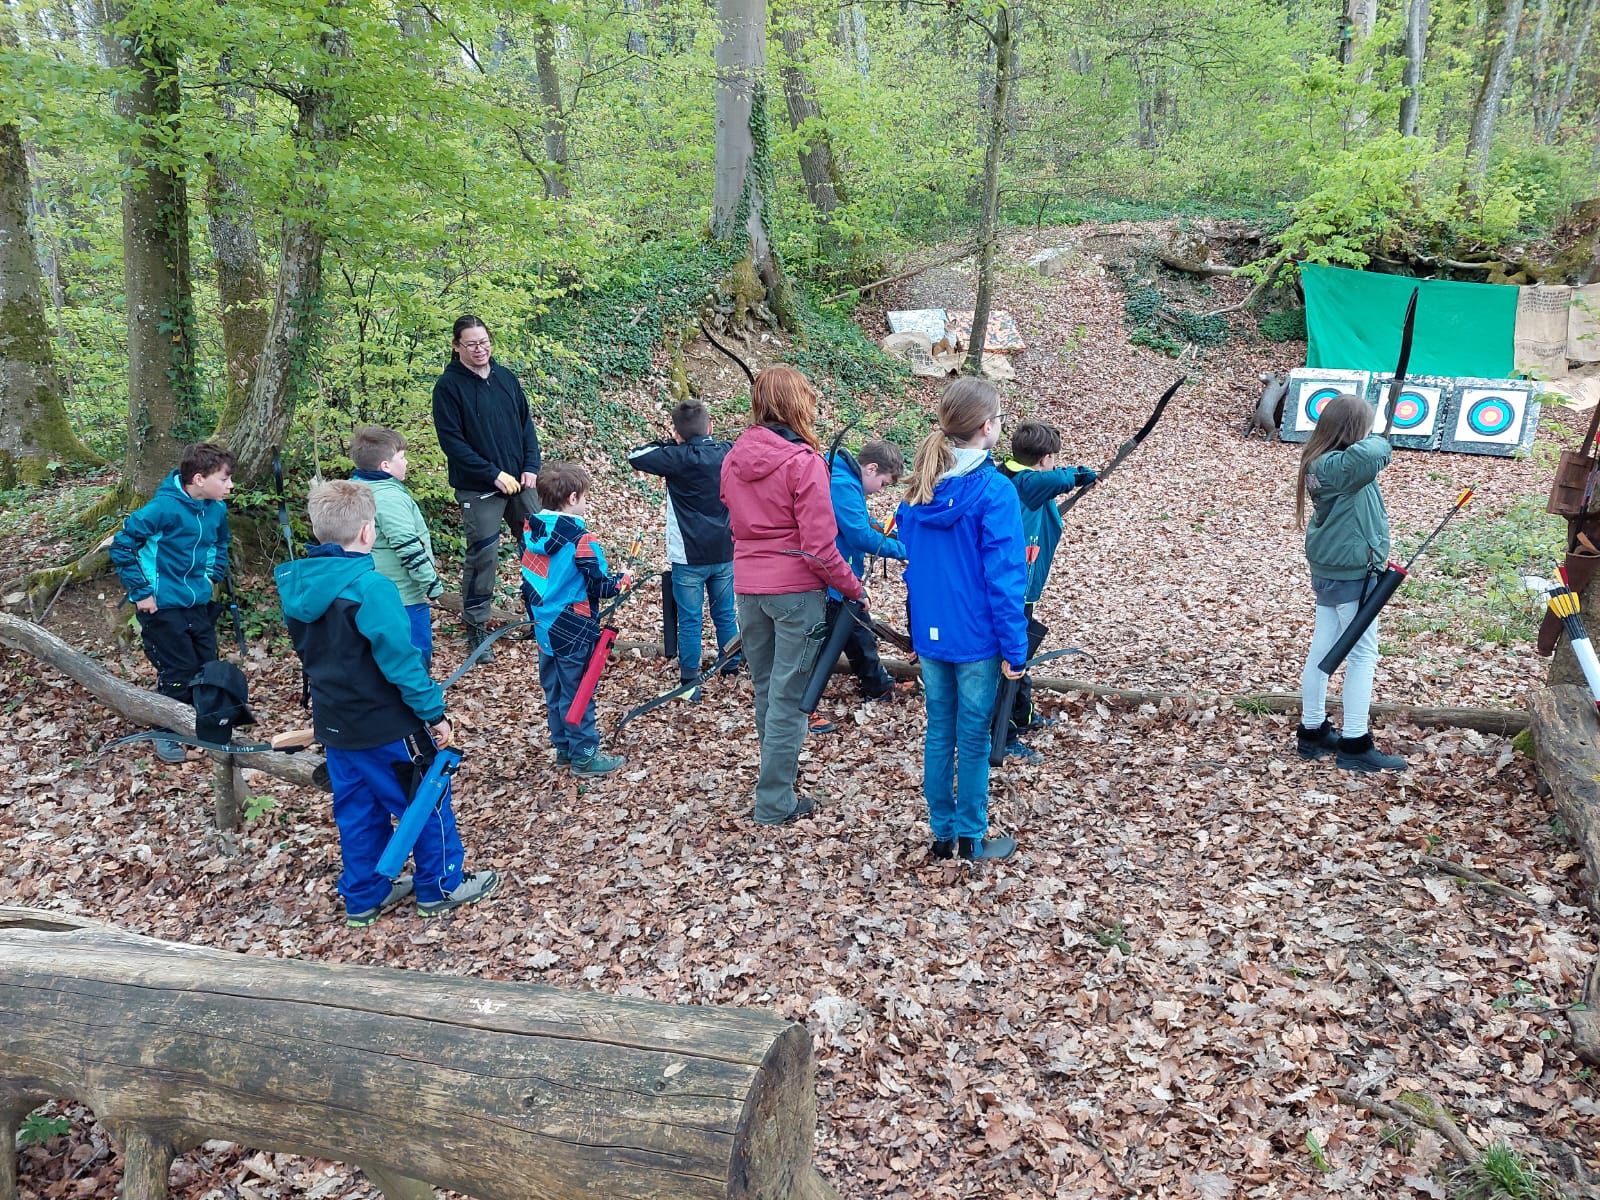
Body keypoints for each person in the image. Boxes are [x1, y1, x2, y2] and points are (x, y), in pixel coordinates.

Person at [276, 481, 500, 926]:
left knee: (357, 810)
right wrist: (433, 713)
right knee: (426, 800)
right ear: (366, 532)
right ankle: (441, 886)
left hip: (336, 723)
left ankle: (364, 896)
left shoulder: (297, 584)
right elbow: (402, 663)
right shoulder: (371, 588)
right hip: (387, 726)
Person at [721, 365, 864, 826]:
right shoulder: (804, 462)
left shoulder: (734, 457)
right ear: (798, 405)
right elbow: (819, 547)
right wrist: (853, 587)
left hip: (749, 588)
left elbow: (734, 521)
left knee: (768, 690)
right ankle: (775, 800)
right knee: (787, 697)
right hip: (795, 592)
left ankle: (776, 784)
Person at [897, 378, 1029, 862]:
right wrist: (1016, 649)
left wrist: (917, 630)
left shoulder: (918, 491)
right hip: (976, 637)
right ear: (986, 426)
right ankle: (970, 836)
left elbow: (914, 570)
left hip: (933, 633)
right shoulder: (995, 491)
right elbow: (1005, 578)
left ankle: (943, 834)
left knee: (940, 730)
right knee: (970, 736)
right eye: (998, 418)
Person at [1296, 392, 1407, 773]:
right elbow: (1372, 453)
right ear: (1352, 429)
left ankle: (1312, 729)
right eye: (1365, 426)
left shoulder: (1322, 459)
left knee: (1323, 648)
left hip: (1333, 568)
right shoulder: (1338, 466)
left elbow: (1366, 458)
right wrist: (1379, 436)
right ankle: (1355, 743)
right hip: (1351, 572)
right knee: (1362, 655)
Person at [109, 442, 235, 762]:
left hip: (198, 602)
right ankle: (166, 732)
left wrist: (212, 575)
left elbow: (220, 543)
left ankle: (204, 726)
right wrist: (142, 592)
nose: (230, 485)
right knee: (177, 671)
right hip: (162, 606)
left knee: (207, 664)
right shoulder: (162, 509)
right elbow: (122, 546)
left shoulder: (216, 510)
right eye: (224, 479)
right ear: (199, 479)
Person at [432, 314, 542, 660]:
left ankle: (540, 617)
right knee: (484, 556)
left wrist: (531, 466)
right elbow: (452, 443)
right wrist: (492, 474)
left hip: (520, 483)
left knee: (538, 545)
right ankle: (477, 629)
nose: (480, 349)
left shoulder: (505, 378)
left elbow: (526, 426)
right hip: (478, 488)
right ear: (457, 346)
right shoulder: (448, 388)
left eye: (484, 342)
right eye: (471, 344)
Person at [992, 421, 1098, 762]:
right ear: (1045, 458)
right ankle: (1003, 734)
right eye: (1053, 458)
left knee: (1019, 652)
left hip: (1018, 584)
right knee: (1008, 659)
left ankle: (1021, 715)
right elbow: (1054, 480)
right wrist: (1081, 474)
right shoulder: (1024, 482)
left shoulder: (1007, 471)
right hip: (1013, 588)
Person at [522, 462, 631, 776]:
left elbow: (529, 582)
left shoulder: (531, 531)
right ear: (572, 499)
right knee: (578, 692)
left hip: (543, 625)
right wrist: (622, 580)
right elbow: (600, 585)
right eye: (583, 497)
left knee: (555, 689)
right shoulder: (581, 539)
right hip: (573, 627)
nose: (585, 502)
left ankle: (564, 749)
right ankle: (584, 755)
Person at [627, 401, 738, 698]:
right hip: (724, 550)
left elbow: (635, 455)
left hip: (688, 557)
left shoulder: (676, 457)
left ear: (678, 433)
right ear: (710, 426)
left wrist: (673, 442)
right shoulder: (727, 451)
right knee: (725, 614)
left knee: (690, 620)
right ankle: (731, 669)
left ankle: (690, 683)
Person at [813, 438, 912, 733]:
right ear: (871, 468)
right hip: (831, 576)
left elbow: (861, 521)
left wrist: (883, 529)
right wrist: (905, 550)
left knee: (857, 629)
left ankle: (877, 685)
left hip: (840, 574)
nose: (881, 489)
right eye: (883, 483)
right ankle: (803, 704)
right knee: (822, 644)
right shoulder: (843, 484)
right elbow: (859, 535)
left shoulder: (847, 481)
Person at [349, 425, 444, 670]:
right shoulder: (389, 498)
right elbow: (408, 547)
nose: (407, 462)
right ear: (385, 466)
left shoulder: (356, 489)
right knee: (414, 661)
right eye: (402, 457)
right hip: (403, 597)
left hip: (371, 593)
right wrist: (433, 586)